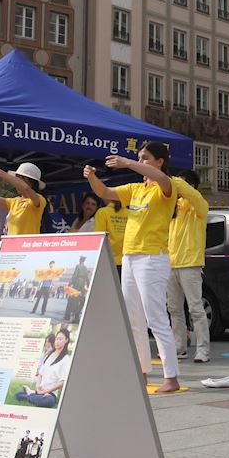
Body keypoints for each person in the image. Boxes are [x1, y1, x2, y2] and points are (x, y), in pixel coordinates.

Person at [86, 142, 182, 393]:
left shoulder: (165, 186)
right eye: (139, 158)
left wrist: (128, 162)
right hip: (129, 257)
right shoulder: (136, 189)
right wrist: (92, 177)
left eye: (146, 158)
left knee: (156, 319)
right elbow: (105, 193)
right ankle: (141, 372)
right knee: (133, 320)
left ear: (160, 161)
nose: (142, 162)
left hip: (152, 258)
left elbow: (161, 178)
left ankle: (171, 377)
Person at [167, 169, 211, 363]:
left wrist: (175, 181)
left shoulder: (199, 206)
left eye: (183, 184)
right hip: (170, 263)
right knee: (174, 308)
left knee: (195, 309)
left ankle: (203, 350)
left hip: (190, 264)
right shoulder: (172, 209)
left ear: (191, 186)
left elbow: (193, 196)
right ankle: (179, 347)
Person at [0, 162, 48, 237]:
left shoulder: (39, 199)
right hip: (12, 247)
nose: (16, 184)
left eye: (20, 179)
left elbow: (26, 188)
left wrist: (0, 172)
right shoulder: (14, 201)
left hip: (27, 247)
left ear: (31, 182)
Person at [14, 327, 71, 408]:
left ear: (66, 340)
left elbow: (62, 382)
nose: (57, 341)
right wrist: (37, 386)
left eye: (60, 339)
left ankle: (30, 393)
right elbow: (40, 374)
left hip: (50, 394)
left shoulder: (66, 359)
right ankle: (33, 394)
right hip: (40, 391)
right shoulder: (49, 355)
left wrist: (47, 391)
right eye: (57, 339)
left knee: (48, 402)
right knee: (17, 395)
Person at [91, 199, 128, 267]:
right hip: (127, 261)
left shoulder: (102, 212)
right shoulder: (130, 213)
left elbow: (99, 239)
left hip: (108, 261)